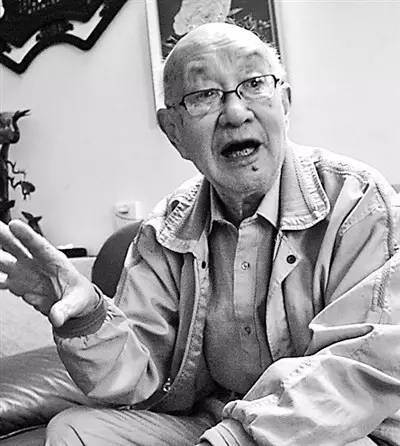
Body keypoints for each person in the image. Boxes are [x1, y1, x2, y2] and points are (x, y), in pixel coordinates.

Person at [0, 22, 400, 446]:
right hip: (214, 421)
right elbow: (142, 376)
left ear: (284, 103)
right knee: (77, 430)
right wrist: (89, 318)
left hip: (340, 429)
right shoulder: (167, 229)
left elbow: (360, 365)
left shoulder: (357, 200)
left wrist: (234, 439)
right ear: (173, 131)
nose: (236, 113)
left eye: (254, 84)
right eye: (204, 95)